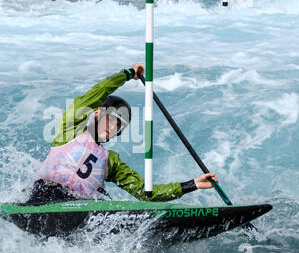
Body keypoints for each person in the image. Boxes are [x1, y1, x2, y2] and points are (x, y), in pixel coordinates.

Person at [25, 63, 218, 204]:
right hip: (43, 197)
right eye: (110, 119)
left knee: (103, 201)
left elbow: (145, 192)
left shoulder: (111, 161)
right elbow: (100, 90)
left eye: (119, 126)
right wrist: (128, 74)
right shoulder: (70, 128)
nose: (112, 127)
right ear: (97, 113)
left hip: (78, 208)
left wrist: (192, 184)